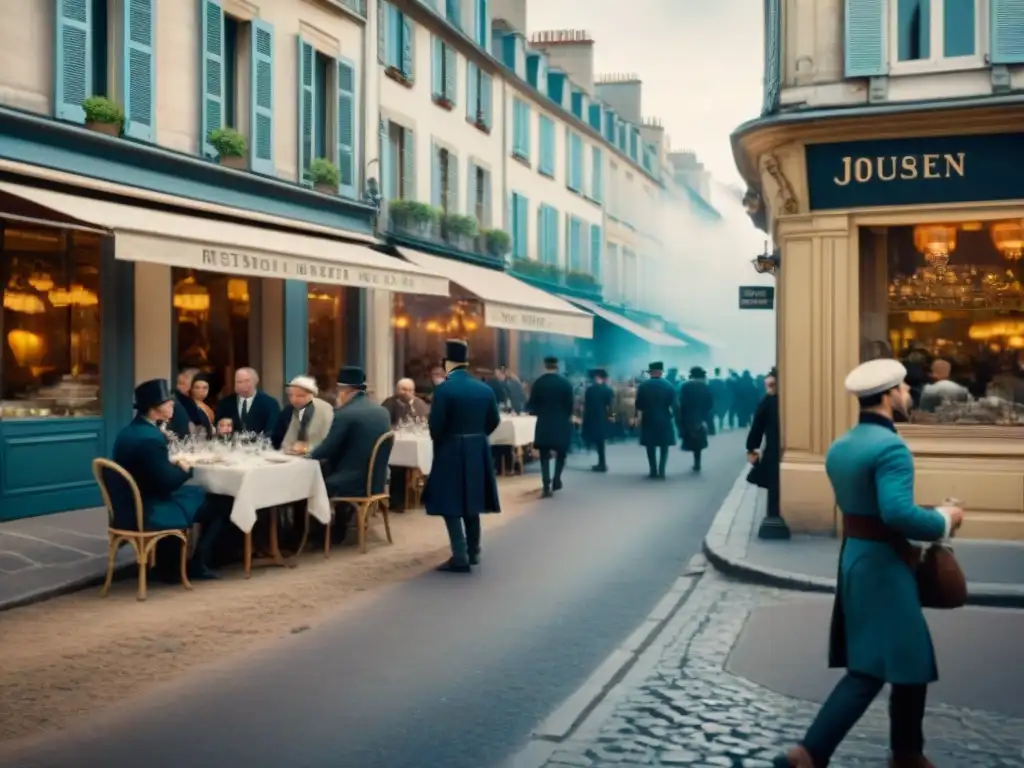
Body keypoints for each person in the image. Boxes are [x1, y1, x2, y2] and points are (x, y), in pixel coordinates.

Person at [773, 358, 965, 768]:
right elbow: (897, 514)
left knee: (908, 661)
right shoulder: (891, 447)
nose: (909, 394)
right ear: (889, 394)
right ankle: (809, 754)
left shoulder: (842, 445)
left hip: (859, 558)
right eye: (904, 389)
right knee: (871, 668)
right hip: (885, 566)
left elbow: (868, 508)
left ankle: (907, 753)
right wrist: (945, 518)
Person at [111, 378, 229, 580]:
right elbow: (167, 482)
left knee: (196, 494)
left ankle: (169, 565)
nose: (173, 405)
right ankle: (198, 564)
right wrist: (187, 468)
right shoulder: (150, 438)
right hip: (148, 509)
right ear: (154, 410)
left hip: (132, 502)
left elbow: (152, 470)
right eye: (168, 403)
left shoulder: (132, 430)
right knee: (220, 503)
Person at [422, 339, 501, 573]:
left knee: (450, 502)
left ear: (447, 364)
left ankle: (460, 555)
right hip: (478, 447)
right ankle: (474, 550)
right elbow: (494, 420)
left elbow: (436, 426)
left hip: (451, 447)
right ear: (465, 363)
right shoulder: (484, 388)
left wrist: (446, 440)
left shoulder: (444, 389)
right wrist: (478, 436)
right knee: (472, 501)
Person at [308, 366, 391, 543]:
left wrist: (306, 456)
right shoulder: (382, 412)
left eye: (338, 390)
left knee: (311, 483)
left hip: (353, 480)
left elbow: (327, 449)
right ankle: (340, 526)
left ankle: (319, 533)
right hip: (377, 479)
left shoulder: (345, 414)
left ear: (345, 391)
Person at [527, 356, 575, 497]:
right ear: (557, 366)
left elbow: (532, 406)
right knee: (561, 453)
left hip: (544, 423)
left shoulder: (538, 383)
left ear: (545, 366)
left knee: (544, 456)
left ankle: (546, 485)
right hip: (561, 423)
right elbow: (570, 405)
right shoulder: (565, 384)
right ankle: (557, 480)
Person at [746, 369, 780, 517]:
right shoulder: (772, 400)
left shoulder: (767, 401)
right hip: (775, 447)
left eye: (772, 385)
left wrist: (752, 448)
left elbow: (757, 425)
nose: (769, 389)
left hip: (773, 448)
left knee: (774, 484)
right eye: (767, 385)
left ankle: (773, 515)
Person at [635, 362, 676, 479]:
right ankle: (662, 470)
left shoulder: (643, 386)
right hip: (664, 418)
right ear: (661, 372)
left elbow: (639, 405)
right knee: (664, 446)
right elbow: (674, 405)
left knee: (650, 445)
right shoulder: (669, 386)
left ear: (650, 372)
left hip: (649, 418)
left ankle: (653, 470)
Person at [213, 367, 281, 437]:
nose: (243, 385)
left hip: (260, 446)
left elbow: (273, 431)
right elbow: (217, 428)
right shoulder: (225, 403)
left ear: (256, 381)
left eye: (247, 381)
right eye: (239, 382)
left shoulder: (271, 404)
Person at [279, 375, 334, 454]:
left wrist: (306, 448)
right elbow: (289, 438)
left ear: (311, 395)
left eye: (300, 396)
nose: (294, 400)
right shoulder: (297, 410)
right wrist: (289, 448)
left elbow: (328, 441)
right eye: (291, 396)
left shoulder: (324, 409)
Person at [678, 366, 714, 472]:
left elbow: (681, 402)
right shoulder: (705, 387)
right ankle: (697, 462)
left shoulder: (685, 386)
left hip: (688, 416)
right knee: (699, 440)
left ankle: (696, 462)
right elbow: (710, 403)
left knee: (691, 437)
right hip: (701, 416)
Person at [582, 368, 614, 472]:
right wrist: (612, 416)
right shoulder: (608, 390)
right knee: (601, 441)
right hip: (603, 418)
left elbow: (586, 405)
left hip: (592, 418)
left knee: (597, 441)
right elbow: (611, 406)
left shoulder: (590, 390)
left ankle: (601, 463)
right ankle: (602, 462)